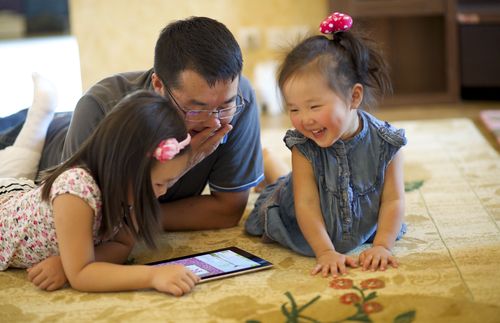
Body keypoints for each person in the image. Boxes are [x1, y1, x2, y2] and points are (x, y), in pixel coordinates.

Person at [0, 16, 264, 231]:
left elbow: (227, 210)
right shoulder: (100, 107)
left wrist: (128, 219)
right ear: (158, 85)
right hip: (33, 139)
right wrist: (182, 165)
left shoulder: (240, 98)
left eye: (224, 106)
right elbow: (86, 222)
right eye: (196, 109)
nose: (214, 120)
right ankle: (41, 110)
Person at [245, 12, 407, 277]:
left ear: (354, 96)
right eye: (294, 109)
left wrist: (382, 245)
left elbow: (393, 200)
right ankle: (267, 162)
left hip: (355, 218)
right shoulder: (304, 146)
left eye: (315, 106)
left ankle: (271, 164)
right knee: (286, 188)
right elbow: (306, 204)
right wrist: (325, 251)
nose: (304, 119)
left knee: (289, 179)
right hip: (299, 208)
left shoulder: (387, 143)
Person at [1, 89, 201, 295]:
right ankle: (39, 114)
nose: (163, 193)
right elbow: (82, 275)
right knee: (16, 163)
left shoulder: (129, 193)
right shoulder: (75, 191)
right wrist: (152, 275)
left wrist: (65, 263)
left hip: (23, 195)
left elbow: (122, 245)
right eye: (160, 184)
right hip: (4, 209)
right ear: (127, 167)